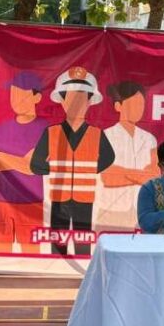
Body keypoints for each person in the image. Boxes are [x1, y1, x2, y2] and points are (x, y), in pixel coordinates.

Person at [30, 66, 115, 256]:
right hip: (58, 198)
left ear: (89, 102)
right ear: (62, 101)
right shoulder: (51, 132)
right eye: (71, 98)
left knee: (83, 242)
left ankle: (83, 266)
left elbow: (109, 157)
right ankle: (56, 266)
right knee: (57, 243)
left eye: (81, 98)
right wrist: (54, 169)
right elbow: (35, 164)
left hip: (84, 198)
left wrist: (90, 169)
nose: (76, 104)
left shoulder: (96, 134)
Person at [0, 71, 48, 254]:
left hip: (31, 202)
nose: (16, 99)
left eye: (22, 94)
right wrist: (20, 161)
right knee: (1, 251)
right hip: (1, 201)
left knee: (31, 252)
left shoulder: (46, 129)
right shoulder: (2, 129)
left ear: (37, 97)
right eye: (13, 94)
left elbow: (33, 166)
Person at [94, 81, 158, 234]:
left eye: (141, 104)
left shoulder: (149, 139)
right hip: (112, 210)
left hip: (142, 211)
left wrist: (124, 173)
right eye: (132, 104)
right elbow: (107, 176)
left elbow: (155, 175)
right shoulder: (105, 136)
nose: (138, 108)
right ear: (118, 106)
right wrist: (141, 175)